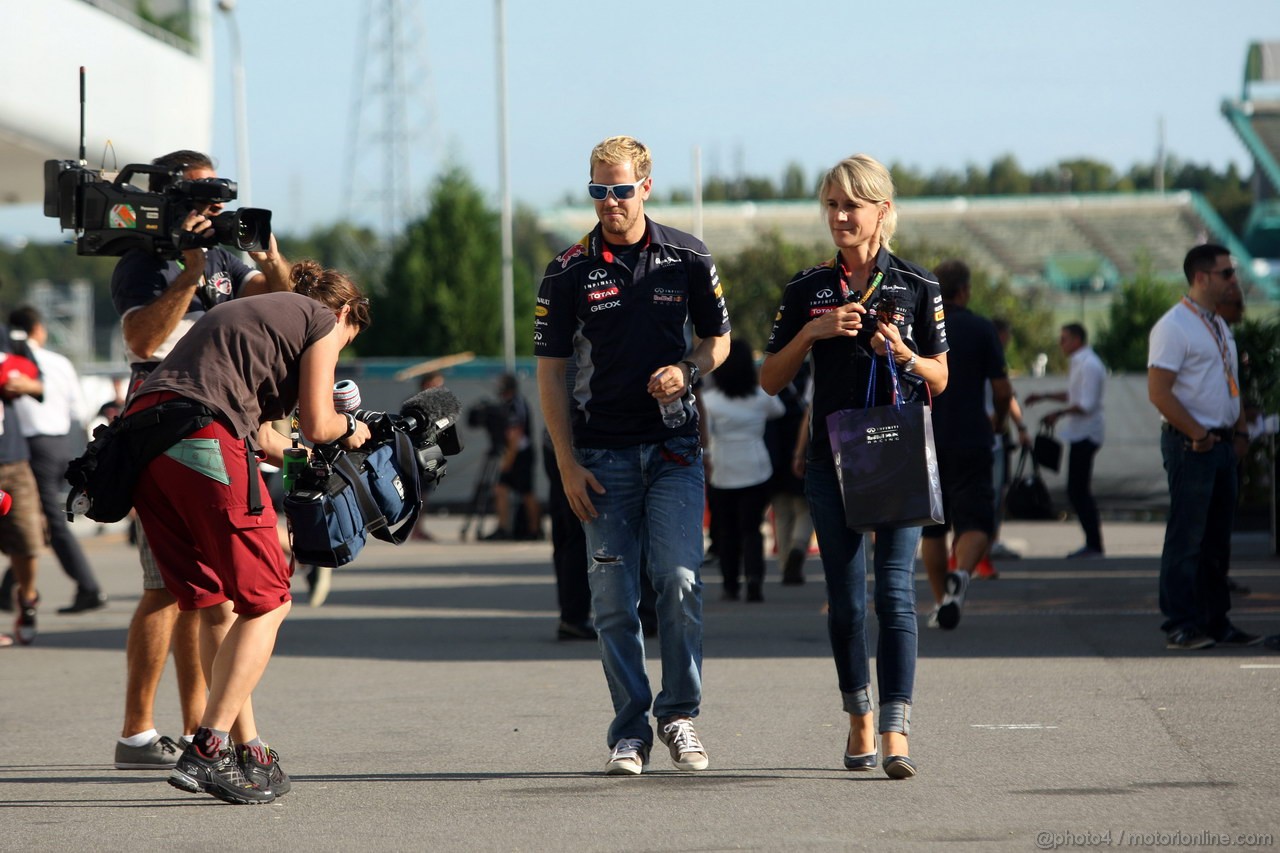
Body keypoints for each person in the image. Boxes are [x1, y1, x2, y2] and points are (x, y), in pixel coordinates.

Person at [129, 262, 371, 803]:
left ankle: (249, 745)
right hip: (203, 437)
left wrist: (310, 457)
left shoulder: (246, 316)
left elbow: (266, 437)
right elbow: (318, 423)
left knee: (224, 602)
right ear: (348, 313)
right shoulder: (323, 320)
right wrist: (355, 430)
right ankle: (208, 747)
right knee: (271, 599)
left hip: (145, 444)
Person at [536, 135, 730, 775]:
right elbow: (551, 375)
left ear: (646, 186)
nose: (610, 202)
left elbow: (717, 342)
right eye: (598, 190)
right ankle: (629, 731)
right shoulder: (566, 271)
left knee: (678, 580)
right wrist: (565, 463)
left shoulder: (687, 256)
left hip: (673, 448)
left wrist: (688, 371)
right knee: (613, 599)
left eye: (620, 189)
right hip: (600, 456)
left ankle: (679, 717)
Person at [760, 153, 948, 780]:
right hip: (830, 457)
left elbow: (942, 378)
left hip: (895, 448)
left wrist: (904, 352)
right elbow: (768, 378)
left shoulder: (919, 286)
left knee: (895, 593)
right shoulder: (806, 287)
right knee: (845, 602)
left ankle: (896, 729)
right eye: (832, 205)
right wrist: (813, 332)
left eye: (852, 206)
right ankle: (859, 717)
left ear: (882, 213)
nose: (840, 216)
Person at [109, 149, 293, 769]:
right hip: (162, 428)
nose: (213, 208)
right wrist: (187, 271)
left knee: (207, 594)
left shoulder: (225, 256)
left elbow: (284, 305)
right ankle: (138, 730)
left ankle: (196, 726)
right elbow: (142, 339)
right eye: (199, 196)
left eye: (218, 196)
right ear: (167, 199)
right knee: (168, 588)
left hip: (220, 423)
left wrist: (267, 254)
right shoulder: (144, 260)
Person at [1147, 244, 1260, 651]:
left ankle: (1216, 620)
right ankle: (1180, 622)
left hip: (1221, 444)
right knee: (1187, 538)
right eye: (1227, 273)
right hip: (1192, 444)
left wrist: (1241, 431)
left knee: (1216, 541)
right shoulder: (1174, 326)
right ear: (1201, 277)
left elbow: (1232, 384)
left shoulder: (1216, 324)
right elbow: (1159, 392)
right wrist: (1198, 434)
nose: (1234, 280)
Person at [918, 259, 1009, 631]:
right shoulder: (980, 328)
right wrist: (999, 423)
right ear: (965, 290)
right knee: (977, 522)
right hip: (972, 435)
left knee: (932, 527)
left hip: (926, 437)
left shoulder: (919, 327)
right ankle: (962, 578)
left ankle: (942, 602)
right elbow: (1003, 390)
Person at [9, 306, 107, 613]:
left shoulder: (13, 363)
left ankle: (88, 587)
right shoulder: (60, 362)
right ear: (39, 329)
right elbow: (77, 409)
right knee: (33, 519)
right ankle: (8, 590)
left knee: (44, 520)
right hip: (62, 443)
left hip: (28, 447)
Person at [702, 339, 784, 601]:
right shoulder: (761, 395)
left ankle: (730, 584)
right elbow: (778, 411)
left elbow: (705, 434)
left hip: (722, 467)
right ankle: (755, 580)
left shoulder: (709, 400)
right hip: (756, 464)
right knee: (752, 529)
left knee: (726, 530)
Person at [1024, 323, 1107, 558]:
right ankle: (1093, 543)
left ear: (1078, 340)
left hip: (1087, 433)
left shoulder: (1089, 364)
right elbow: (1074, 395)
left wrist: (1057, 414)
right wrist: (1045, 397)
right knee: (1077, 489)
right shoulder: (1081, 362)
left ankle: (1094, 544)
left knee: (1078, 490)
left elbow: (1086, 404)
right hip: (1081, 432)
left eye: (1065, 339)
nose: (1061, 344)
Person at [541, 360, 594, 640]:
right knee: (575, 532)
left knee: (565, 533)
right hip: (573, 442)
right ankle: (573, 616)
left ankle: (570, 614)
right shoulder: (583, 324)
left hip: (554, 441)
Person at [0, 330, 45, 647]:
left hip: (13, 460)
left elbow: (39, 384)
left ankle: (27, 599)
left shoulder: (8, 339)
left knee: (29, 541)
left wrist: (22, 384)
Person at [765, 362, 812, 585]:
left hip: (775, 446)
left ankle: (785, 564)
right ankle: (798, 548)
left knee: (781, 510)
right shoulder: (809, 374)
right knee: (804, 509)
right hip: (802, 445)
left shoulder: (771, 371)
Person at [485, 373, 542, 541]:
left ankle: (534, 529)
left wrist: (508, 461)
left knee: (527, 492)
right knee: (501, 488)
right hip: (512, 452)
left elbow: (515, 435)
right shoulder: (507, 404)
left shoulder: (516, 404)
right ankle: (503, 527)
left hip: (521, 454)